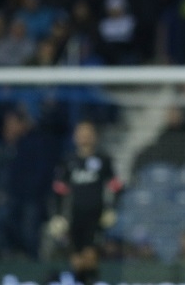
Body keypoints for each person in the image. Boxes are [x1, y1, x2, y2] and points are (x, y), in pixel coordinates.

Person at [49, 121, 123, 285]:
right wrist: (57, 215)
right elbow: (59, 190)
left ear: (94, 136)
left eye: (88, 133)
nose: (84, 137)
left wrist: (111, 209)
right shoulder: (68, 161)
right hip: (74, 218)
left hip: (96, 218)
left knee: (90, 257)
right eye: (81, 133)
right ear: (75, 136)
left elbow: (116, 186)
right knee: (77, 261)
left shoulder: (103, 160)